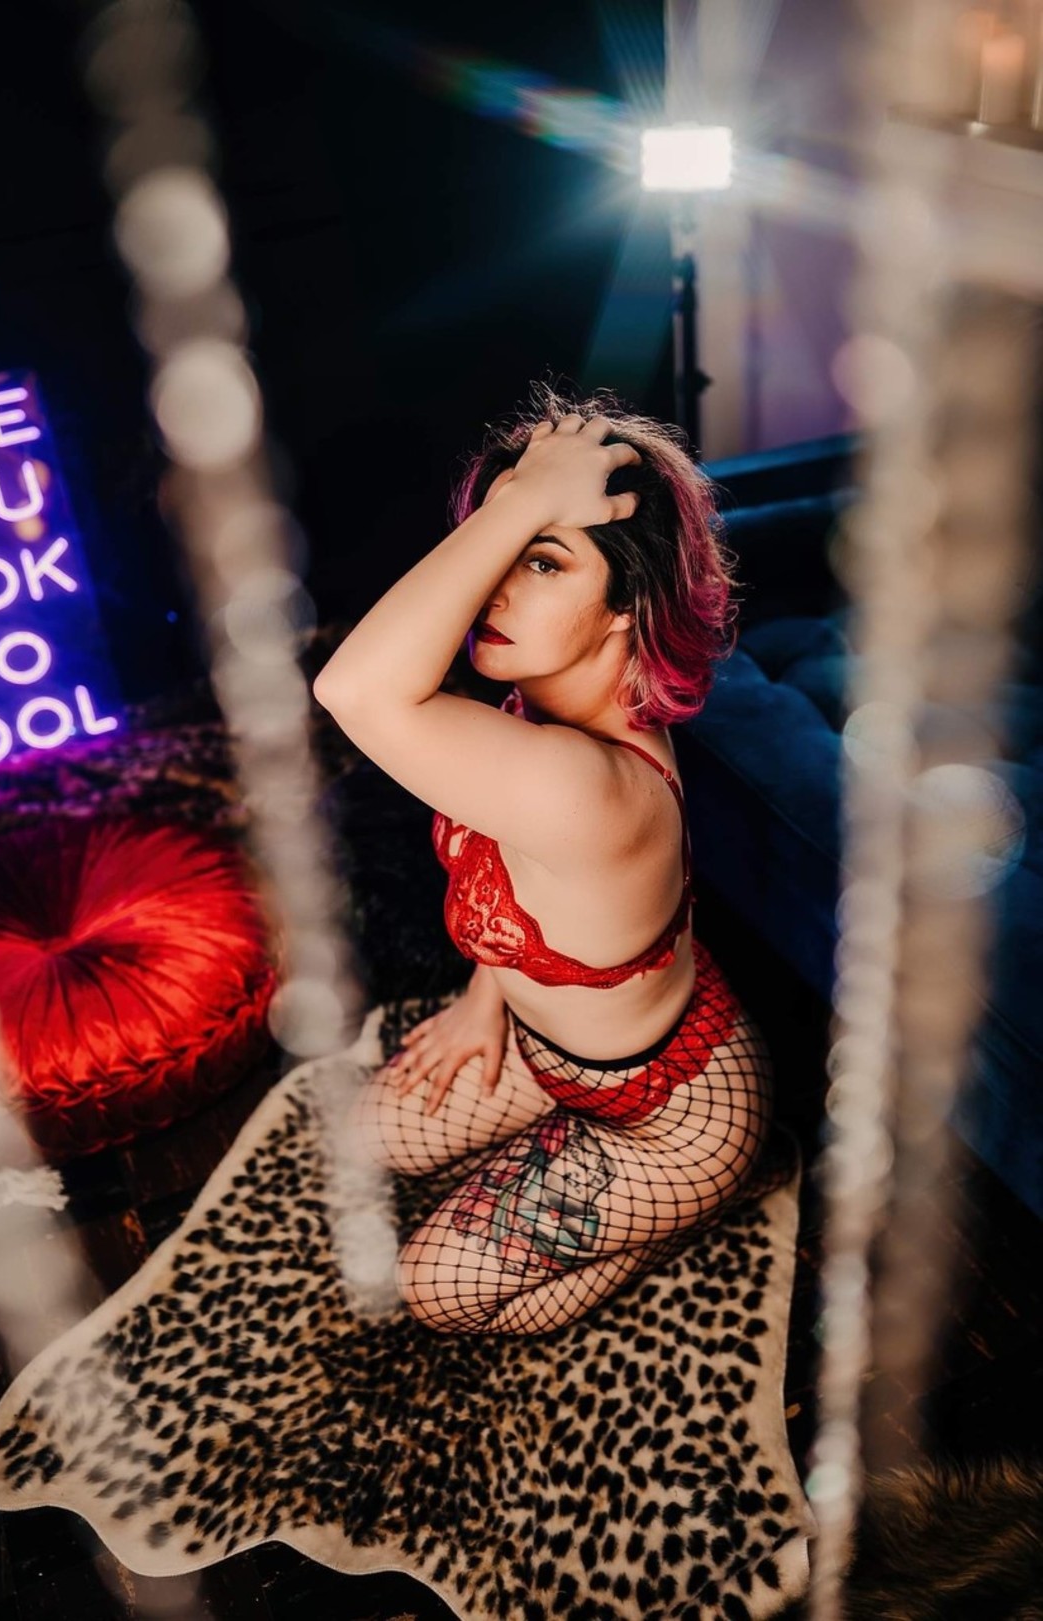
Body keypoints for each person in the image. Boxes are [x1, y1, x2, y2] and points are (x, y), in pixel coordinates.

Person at [313, 385, 775, 1337]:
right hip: (550, 1052)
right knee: (368, 1136)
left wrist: (524, 498)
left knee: (435, 1290)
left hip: (678, 1118)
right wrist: (482, 1000)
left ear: (627, 605)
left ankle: (696, 1203)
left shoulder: (588, 787)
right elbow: (521, 878)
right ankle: (580, 1146)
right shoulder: (537, 713)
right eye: (494, 544)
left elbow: (354, 690)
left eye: (542, 558)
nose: (491, 585)